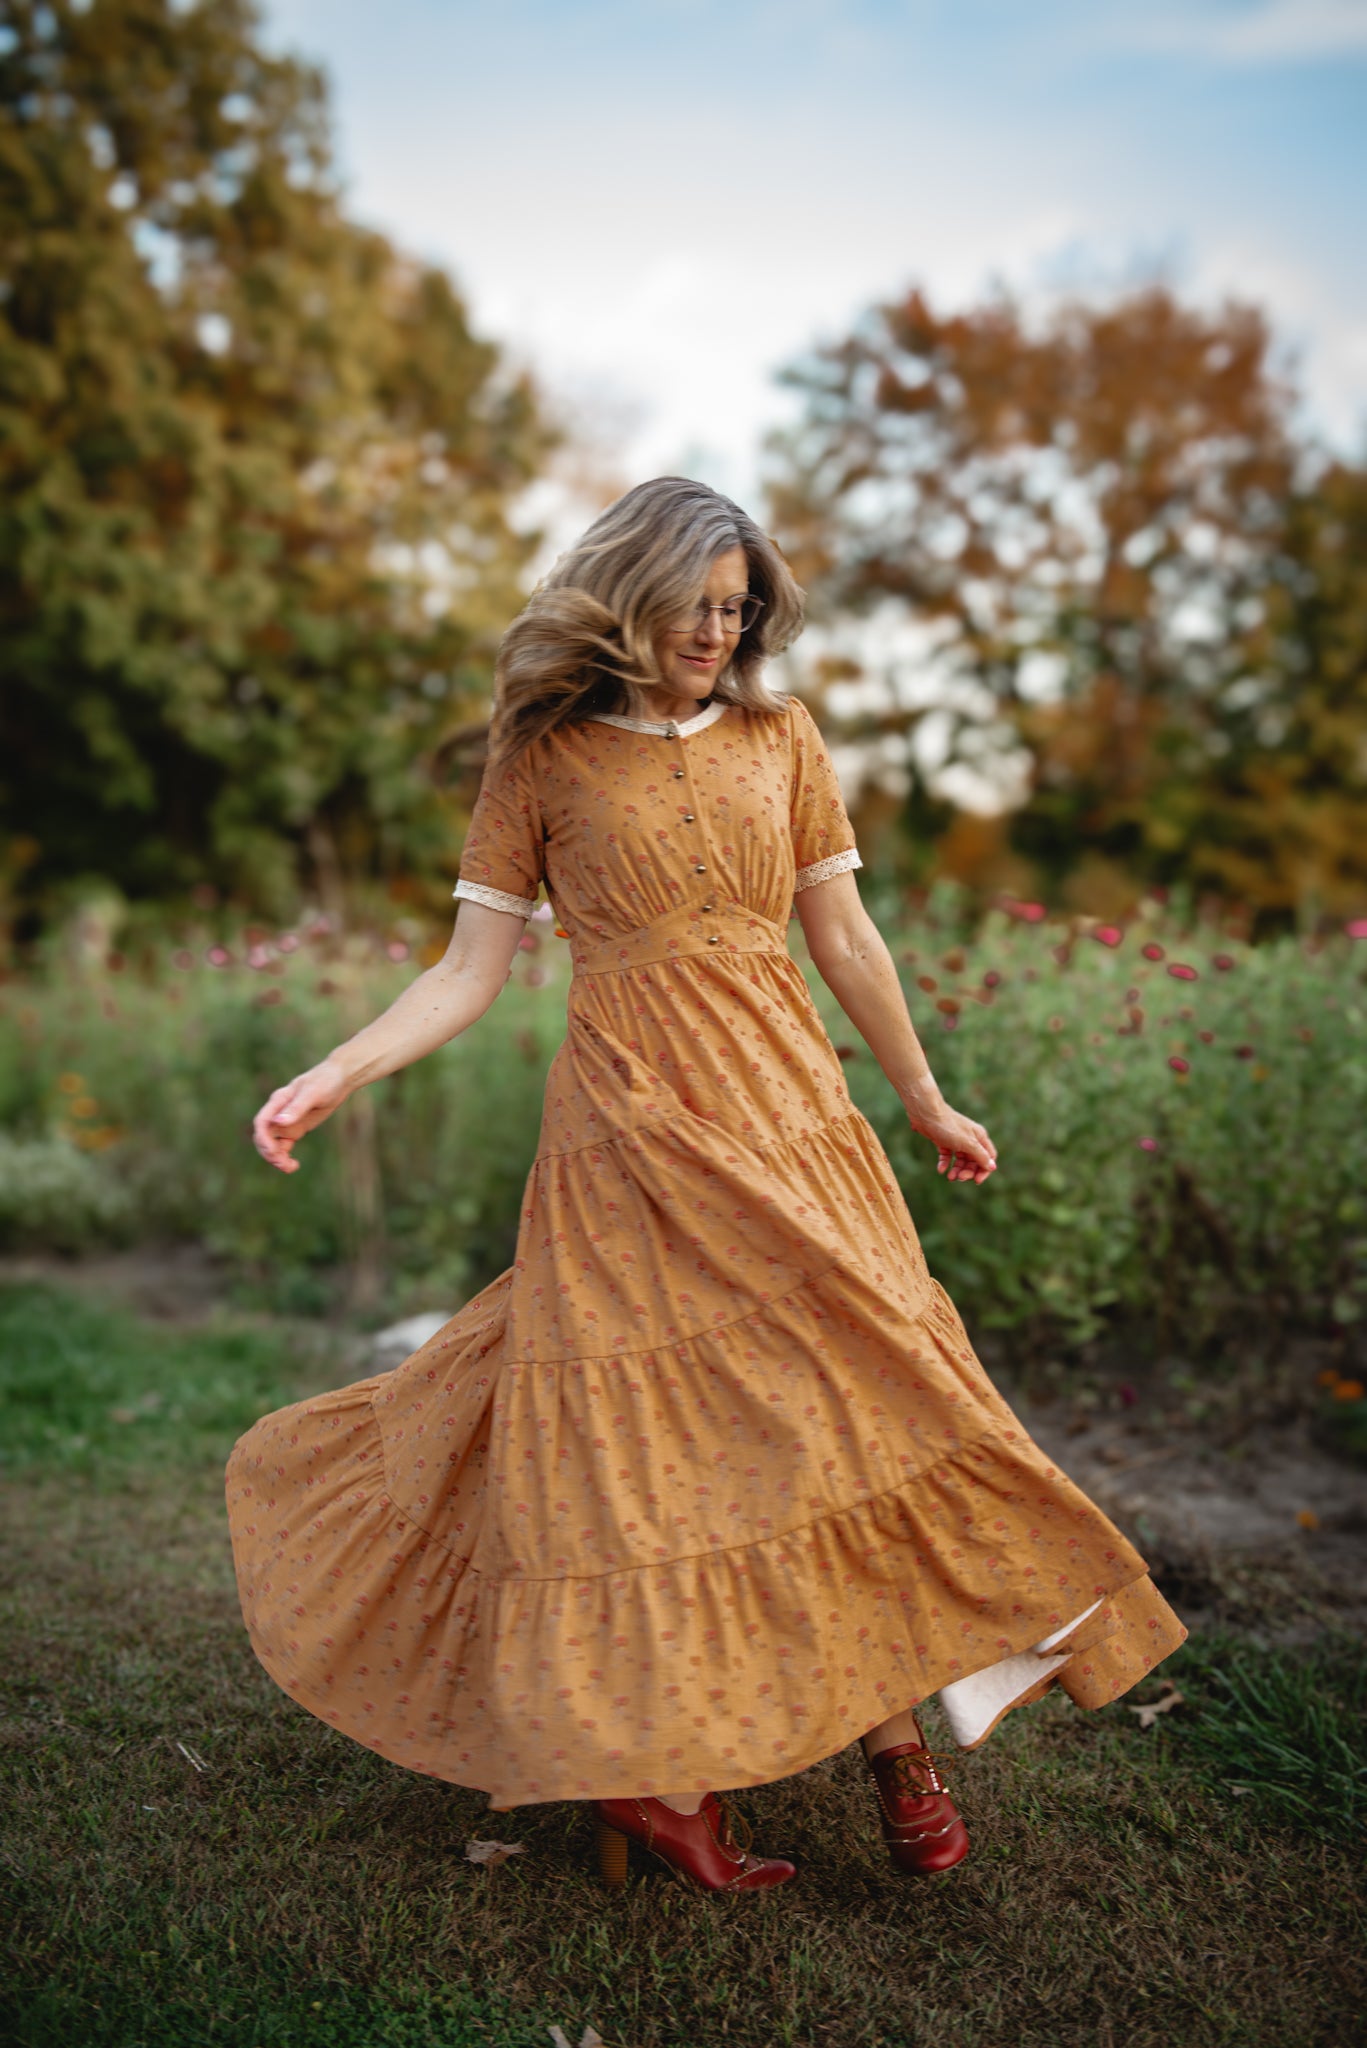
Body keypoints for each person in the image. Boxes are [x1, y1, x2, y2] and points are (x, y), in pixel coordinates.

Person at [228, 477, 1184, 1893]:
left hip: (793, 1116)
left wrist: (922, 1092)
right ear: (637, 589)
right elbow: (468, 970)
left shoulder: (781, 735)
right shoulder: (543, 758)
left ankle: (896, 1745)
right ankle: (664, 1773)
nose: (722, 629)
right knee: (654, 1451)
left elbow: (847, 938)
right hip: (629, 1134)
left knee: (857, 1391)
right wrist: (338, 1072)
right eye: (703, 603)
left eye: (741, 608)